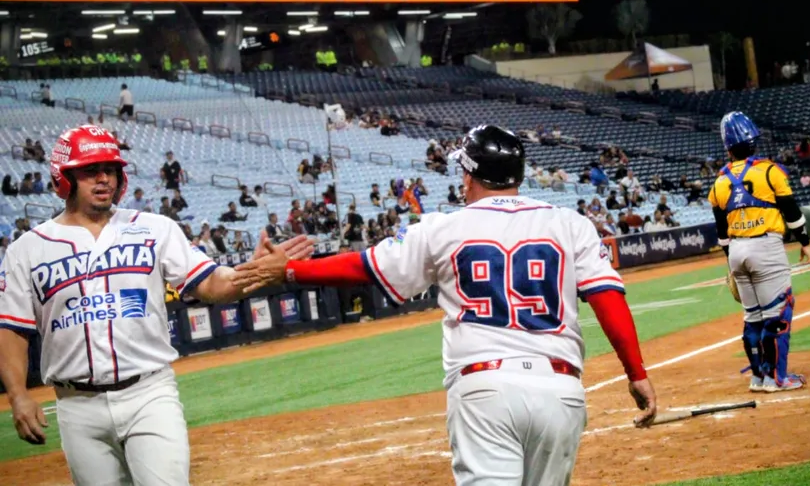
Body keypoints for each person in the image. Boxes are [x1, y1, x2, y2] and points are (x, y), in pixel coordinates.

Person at [232, 125, 657, 485]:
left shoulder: (443, 228)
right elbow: (607, 299)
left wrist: (290, 271)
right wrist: (636, 373)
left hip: (484, 391)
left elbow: (364, 264)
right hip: (561, 390)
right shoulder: (571, 223)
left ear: (470, 175)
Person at [0, 124, 313, 485]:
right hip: (75, 405)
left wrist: (252, 274)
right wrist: (18, 395)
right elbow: (12, 330)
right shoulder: (28, 249)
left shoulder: (154, 228)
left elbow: (209, 283)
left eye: (111, 170)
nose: (104, 179)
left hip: (149, 393)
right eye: (91, 171)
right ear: (65, 178)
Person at [709, 112, 810, 393]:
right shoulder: (770, 171)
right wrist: (804, 240)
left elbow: (721, 232)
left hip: (737, 250)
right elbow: (791, 212)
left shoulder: (719, 181)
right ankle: (777, 378)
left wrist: (731, 263)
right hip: (765, 246)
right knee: (779, 312)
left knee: (752, 317)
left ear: (727, 146)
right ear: (753, 141)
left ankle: (758, 377)